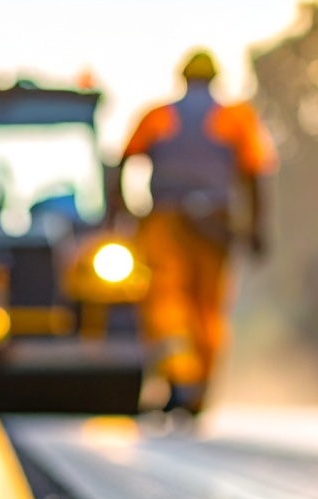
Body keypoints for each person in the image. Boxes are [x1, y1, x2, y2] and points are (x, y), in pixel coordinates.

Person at [118, 49, 275, 416]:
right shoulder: (235, 118)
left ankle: (181, 377)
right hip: (216, 223)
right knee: (209, 310)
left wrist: (121, 214)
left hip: (166, 221)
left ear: (183, 78)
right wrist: (257, 229)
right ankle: (197, 392)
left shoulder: (159, 116)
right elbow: (256, 175)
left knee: (165, 298)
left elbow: (123, 163)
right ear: (216, 79)